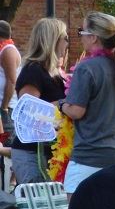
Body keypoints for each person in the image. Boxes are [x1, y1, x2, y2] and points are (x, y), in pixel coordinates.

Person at [61, 12, 115, 194]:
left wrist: (62, 105)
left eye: (82, 32)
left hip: (88, 157)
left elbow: (76, 111)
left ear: (93, 37)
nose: (81, 37)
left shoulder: (86, 67)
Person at [11, 18, 69, 185]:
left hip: (48, 150)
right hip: (31, 153)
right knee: (39, 207)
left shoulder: (53, 73)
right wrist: (64, 104)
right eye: (65, 37)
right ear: (53, 39)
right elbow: (28, 114)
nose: (67, 42)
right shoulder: (33, 71)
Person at [0, 20, 18, 149]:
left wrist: (4, 107)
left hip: (6, 107)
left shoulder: (8, 50)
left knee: (7, 143)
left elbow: (12, 81)